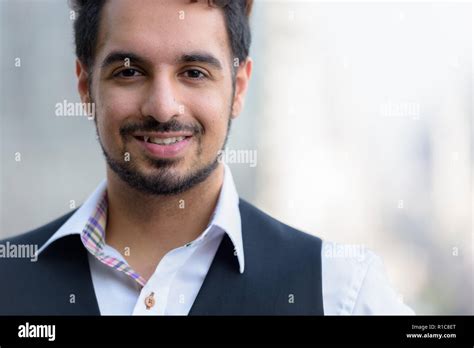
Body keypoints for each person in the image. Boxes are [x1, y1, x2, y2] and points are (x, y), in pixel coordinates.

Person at [0, 0, 414, 315]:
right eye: (129, 71)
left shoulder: (343, 292)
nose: (163, 108)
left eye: (194, 72)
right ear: (86, 86)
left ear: (239, 86)